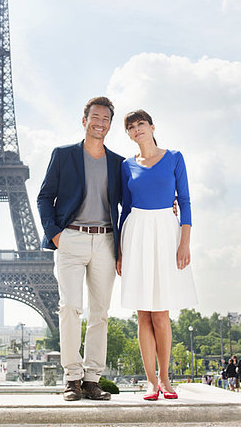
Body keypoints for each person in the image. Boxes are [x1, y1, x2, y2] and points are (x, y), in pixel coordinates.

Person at [37, 96, 123, 401]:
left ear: (110, 125)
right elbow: (44, 197)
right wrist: (55, 235)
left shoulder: (118, 162)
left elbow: (131, 203)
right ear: (84, 120)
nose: (100, 123)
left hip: (105, 240)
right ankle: (71, 377)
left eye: (106, 119)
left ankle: (91, 379)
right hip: (71, 238)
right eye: (95, 117)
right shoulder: (63, 155)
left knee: (100, 313)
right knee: (70, 308)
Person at [117, 109, 197, 401]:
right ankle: (150, 382)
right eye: (131, 127)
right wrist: (120, 251)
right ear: (128, 134)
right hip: (136, 233)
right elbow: (124, 210)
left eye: (141, 124)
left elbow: (185, 200)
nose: (137, 130)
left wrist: (184, 242)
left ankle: (165, 378)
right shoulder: (126, 166)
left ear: (152, 127)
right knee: (143, 314)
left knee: (161, 314)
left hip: (166, 232)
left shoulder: (175, 157)